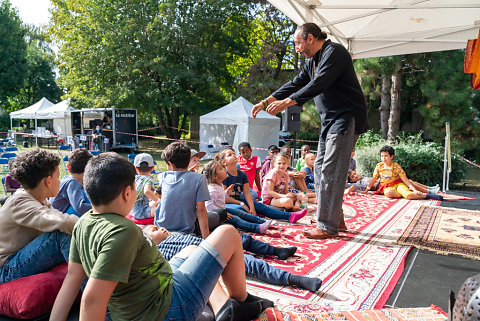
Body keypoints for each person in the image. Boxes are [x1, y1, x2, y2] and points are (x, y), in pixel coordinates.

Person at [49, 152, 269, 321]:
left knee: (192, 250)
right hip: (168, 309)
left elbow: (72, 279)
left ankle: (226, 307)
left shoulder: (83, 223)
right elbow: (92, 298)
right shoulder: (122, 232)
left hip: (149, 297)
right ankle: (241, 300)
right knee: (228, 233)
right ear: (128, 193)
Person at [251, 22, 369, 239]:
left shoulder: (334, 52)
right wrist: (265, 101)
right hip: (330, 121)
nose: (297, 48)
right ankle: (336, 217)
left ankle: (327, 225)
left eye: (298, 43)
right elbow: (296, 82)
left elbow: (320, 84)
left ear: (311, 38)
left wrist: (287, 103)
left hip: (345, 118)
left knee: (331, 171)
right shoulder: (313, 60)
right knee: (320, 169)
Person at [145, 225, 323, 292]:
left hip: (212, 245)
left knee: (243, 238)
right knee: (252, 264)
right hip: (209, 259)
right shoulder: (159, 252)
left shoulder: (175, 233)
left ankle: (277, 250)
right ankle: (296, 279)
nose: (160, 229)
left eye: (158, 226)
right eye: (154, 230)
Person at [0, 148, 78, 284]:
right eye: (57, 177)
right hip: (7, 269)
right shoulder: (20, 202)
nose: (59, 181)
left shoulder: (38, 200)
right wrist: (94, 227)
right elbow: (61, 222)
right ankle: (96, 296)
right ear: (48, 181)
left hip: (20, 260)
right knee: (62, 234)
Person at [216, 148, 307, 223]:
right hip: (227, 203)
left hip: (240, 200)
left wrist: (252, 207)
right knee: (241, 209)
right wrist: (242, 203)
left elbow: (247, 193)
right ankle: (261, 221)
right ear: (224, 162)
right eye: (230, 155)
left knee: (258, 206)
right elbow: (224, 198)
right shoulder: (224, 176)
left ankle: (290, 216)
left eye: (234, 153)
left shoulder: (242, 175)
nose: (234, 155)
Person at [155, 142, 211, 238]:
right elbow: (201, 210)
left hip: (160, 229)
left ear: (171, 164)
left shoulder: (164, 176)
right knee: (220, 215)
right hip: (185, 232)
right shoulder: (199, 178)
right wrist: (207, 240)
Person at [203, 160, 272, 234]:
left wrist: (226, 193)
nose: (224, 169)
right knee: (236, 219)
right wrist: (222, 214)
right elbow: (208, 207)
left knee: (240, 213)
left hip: (222, 210)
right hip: (217, 216)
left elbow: (219, 198)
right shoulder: (212, 190)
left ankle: (262, 221)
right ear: (215, 177)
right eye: (220, 169)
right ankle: (257, 228)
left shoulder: (219, 185)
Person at [364, 146, 443, 201]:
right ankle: (404, 194)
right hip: (387, 187)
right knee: (388, 193)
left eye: (386, 156)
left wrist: (414, 190)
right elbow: (374, 178)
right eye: (382, 156)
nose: (383, 158)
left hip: (398, 184)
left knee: (409, 196)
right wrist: (366, 190)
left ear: (391, 156)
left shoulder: (396, 166)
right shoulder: (379, 166)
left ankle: (427, 195)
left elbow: (405, 180)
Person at [50, 148, 93, 217]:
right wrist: (101, 209)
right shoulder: (72, 182)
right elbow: (80, 207)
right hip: (60, 220)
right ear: (88, 171)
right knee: (86, 195)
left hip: (55, 215)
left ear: (68, 167)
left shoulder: (66, 179)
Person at [130, 153, 159, 219]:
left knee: (153, 203)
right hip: (142, 212)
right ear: (153, 168)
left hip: (132, 209)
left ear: (136, 168)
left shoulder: (134, 178)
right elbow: (147, 191)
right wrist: (159, 201)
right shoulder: (149, 180)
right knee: (162, 210)